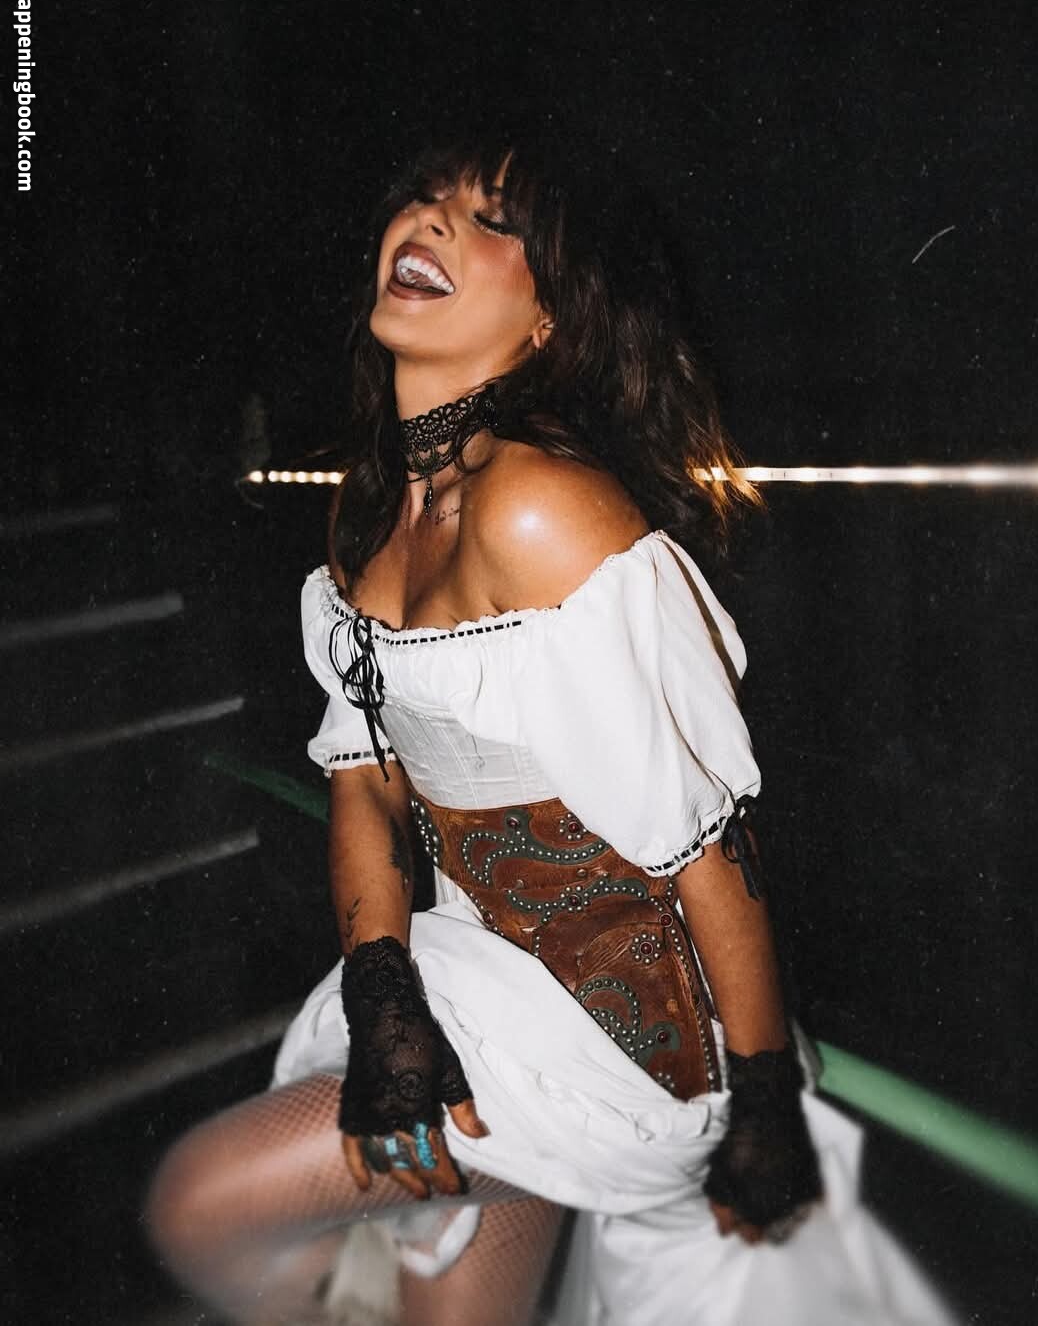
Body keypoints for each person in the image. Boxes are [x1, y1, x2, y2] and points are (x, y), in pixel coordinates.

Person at [146, 126, 956, 1326]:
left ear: (547, 325)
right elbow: (364, 781)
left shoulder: (541, 506)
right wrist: (385, 1003)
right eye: (424, 196)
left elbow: (707, 847)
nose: (432, 219)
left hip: (622, 1052)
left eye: (492, 219)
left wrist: (766, 1103)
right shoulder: (372, 519)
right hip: (477, 983)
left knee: (197, 1202)